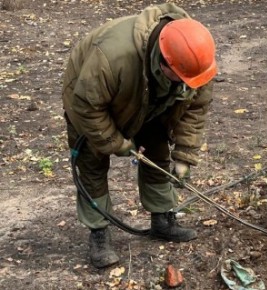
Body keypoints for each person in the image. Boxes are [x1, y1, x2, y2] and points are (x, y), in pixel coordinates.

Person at [62, 3, 217, 268]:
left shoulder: (195, 61)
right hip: (91, 98)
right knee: (92, 162)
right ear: (164, 60)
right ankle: (99, 233)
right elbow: (86, 107)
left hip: (151, 100)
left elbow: (196, 108)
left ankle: (162, 220)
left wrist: (185, 155)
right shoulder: (111, 57)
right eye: (180, 78)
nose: (186, 85)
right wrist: (115, 142)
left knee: (157, 154)